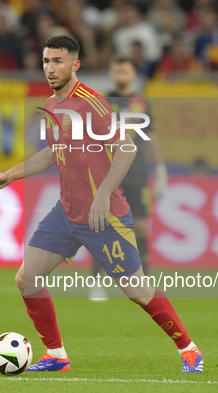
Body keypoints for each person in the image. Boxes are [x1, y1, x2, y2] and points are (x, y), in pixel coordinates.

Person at [0, 36, 203, 374]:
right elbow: (51, 154)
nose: (50, 68)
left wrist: (102, 195)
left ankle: (189, 349)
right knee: (27, 278)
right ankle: (56, 355)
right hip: (67, 212)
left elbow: (126, 148)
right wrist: (10, 175)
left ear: (75, 65)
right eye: (46, 61)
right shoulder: (53, 106)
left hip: (105, 216)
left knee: (138, 291)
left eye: (58, 61)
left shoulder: (93, 104)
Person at [90, 56, 169, 301]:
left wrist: (160, 168)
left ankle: (144, 283)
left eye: (125, 69)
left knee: (142, 228)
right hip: (109, 175)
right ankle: (97, 283)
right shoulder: (101, 101)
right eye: (117, 70)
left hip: (137, 174)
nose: (121, 74)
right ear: (112, 73)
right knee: (101, 226)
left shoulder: (142, 103)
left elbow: (150, 136)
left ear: (133, 72)